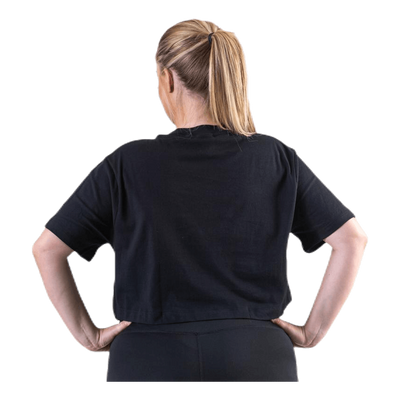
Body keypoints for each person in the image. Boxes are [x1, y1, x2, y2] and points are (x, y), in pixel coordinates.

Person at [30, 17, 371, 384]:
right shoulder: (275, 157)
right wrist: (313, 331)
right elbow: (352, 239)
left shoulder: (127, 162)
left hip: (148, 360)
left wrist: (87, 335)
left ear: (168, 79)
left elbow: (46, 248)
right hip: (255, 358)